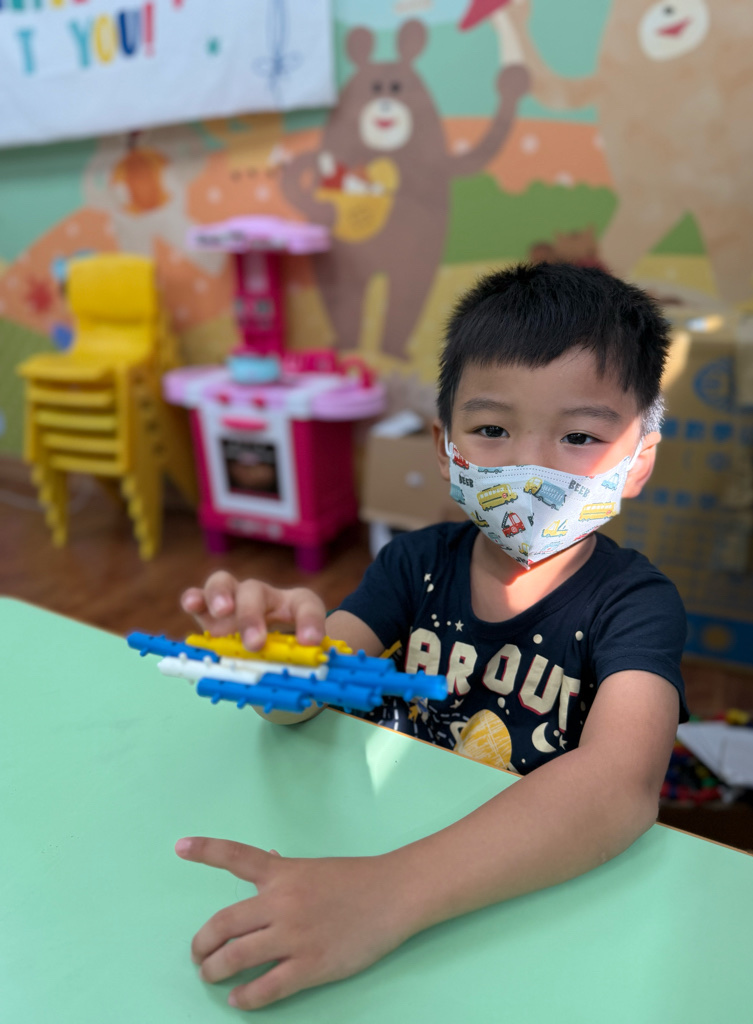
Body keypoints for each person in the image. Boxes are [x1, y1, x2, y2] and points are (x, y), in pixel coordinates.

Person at [175, 263, 689, 1010]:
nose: (528, 466)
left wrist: (385, 894)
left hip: (531, 903)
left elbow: (620, 787)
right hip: (381, 835)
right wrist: (273, 660)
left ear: (638, 460)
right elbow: (304, 700)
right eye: (492, 430)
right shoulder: (412, 566)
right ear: (447, 447)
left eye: (579, 436)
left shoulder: (637, 605)